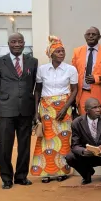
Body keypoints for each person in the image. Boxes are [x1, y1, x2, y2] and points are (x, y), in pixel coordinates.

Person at [0, 32, 38, 189]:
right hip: (6, 110)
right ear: (8, 43)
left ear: (24, 43)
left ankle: (21, 176)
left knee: (24, 145)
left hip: (26, 109)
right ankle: (6, 178)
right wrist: (5, 99)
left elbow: (32, 85)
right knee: (5, 146)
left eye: (20, 41)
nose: (17, 44)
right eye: (13, 42)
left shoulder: (33, 62)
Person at [31, 36, 79, 183]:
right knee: (47, 139)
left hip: (64, 106)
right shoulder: (42, 70)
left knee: (64, 139)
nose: (61, 53)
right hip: (46, 108)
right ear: (50, 54)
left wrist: (65, 108)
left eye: (63, 51)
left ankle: (62, 171)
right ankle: (46, 172)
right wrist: (36, 111)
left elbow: (75, 90)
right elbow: (37, 91)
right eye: (58, 51)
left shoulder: (71, 69)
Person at [66, 98, 101, 185]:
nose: (98, 109)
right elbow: (74, 145)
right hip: (87, 156)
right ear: (86, 110)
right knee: (70, 157)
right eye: (94, 108)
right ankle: (86, 173)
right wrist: (83, 151)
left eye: (99, 107)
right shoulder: (77, 123)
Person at [71, 27, 101, 116]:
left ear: (99, 37)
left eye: (94, 34)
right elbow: (73, 74)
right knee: (85, 123)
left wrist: (97, 78)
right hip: (83, 93)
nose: (91, 36)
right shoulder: (77, 51)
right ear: (85, 37)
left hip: (100, 94)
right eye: (88, 34)